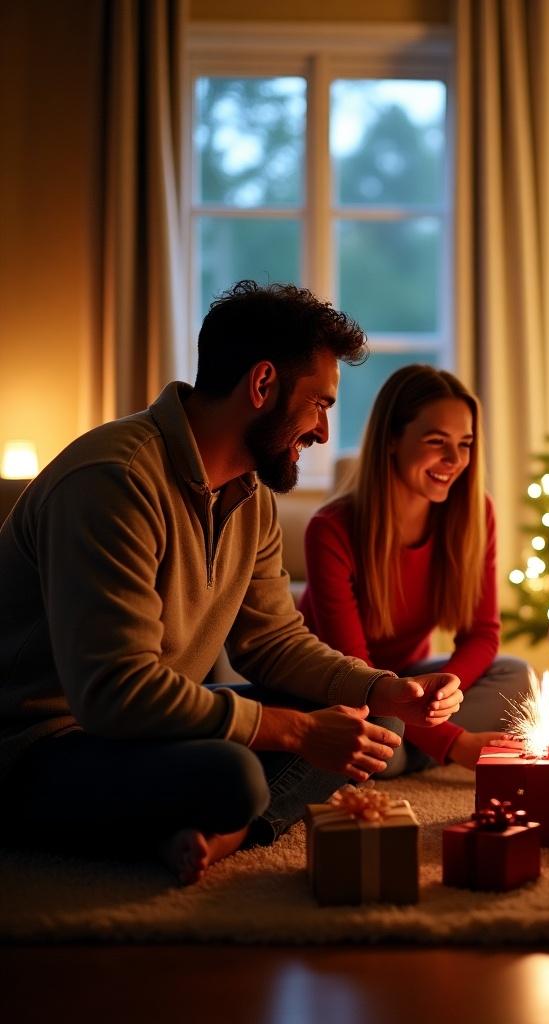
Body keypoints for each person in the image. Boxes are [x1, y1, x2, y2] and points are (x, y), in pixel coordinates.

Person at [0, 281, 462, 884]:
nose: (324, 432)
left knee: (371, 718)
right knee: (234, 777)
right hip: (41, 745)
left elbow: (272, 641)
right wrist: (295, 731)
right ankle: (228, 822)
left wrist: (384, 687)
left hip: (149, 732)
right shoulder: (114, 481)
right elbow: (115, 694)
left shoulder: (251, 494)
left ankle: (217, 832)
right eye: (319, 404)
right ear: (262, 384)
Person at [299, 364, 532, 773]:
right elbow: (356, 669)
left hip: (409, 679)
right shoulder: (330, 529)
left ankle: (407, 747)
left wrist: (445, 692)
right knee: (381, 727)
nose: (454, 460)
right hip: (346, 687)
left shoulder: (477, 515)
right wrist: (457, 743)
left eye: (465, 443)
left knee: (515, 674)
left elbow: (482, 634)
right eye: (436, 441)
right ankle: (414, 747)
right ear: (392, 439)